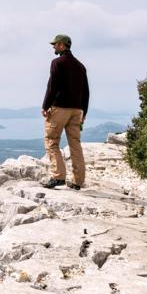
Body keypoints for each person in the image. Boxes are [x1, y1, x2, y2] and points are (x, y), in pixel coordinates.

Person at [40, 34, 89, 190]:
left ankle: (58, 176)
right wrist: (84, 112)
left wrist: (45, 106)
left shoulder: (57, 63)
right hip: (77, 110)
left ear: (62, 45)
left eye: (55, 44)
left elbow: (52, 87)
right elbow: (86, 92)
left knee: (51, 141)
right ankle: (77, 181)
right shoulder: (81, 66)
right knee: (75, 144)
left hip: (60, 109)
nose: (53, 47)